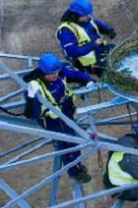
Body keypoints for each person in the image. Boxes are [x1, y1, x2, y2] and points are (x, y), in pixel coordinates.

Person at [23, 53, 94, 183]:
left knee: (71, 143)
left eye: (56, 72)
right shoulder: (35, 86)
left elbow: (73, 75)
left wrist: (87, 79)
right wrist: (31, 97)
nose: (55, 75)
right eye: (52, 74)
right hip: (55, 121)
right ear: (43, 72)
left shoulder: (58, 72)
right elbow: (31, 114)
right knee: (71, 145)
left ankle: (76, 166)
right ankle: (75, 171)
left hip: (67, 112)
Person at [56, 0, 116, 78]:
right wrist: (94, 44)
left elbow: (96, 23)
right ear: (76, 15)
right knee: (113, 70)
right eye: (85, 15)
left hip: (100, 50)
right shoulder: (66, 31)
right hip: (88, 63)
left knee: (118, 50)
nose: (88, 16)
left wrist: (109, 30)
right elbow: (72, 52)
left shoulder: (85, 19)